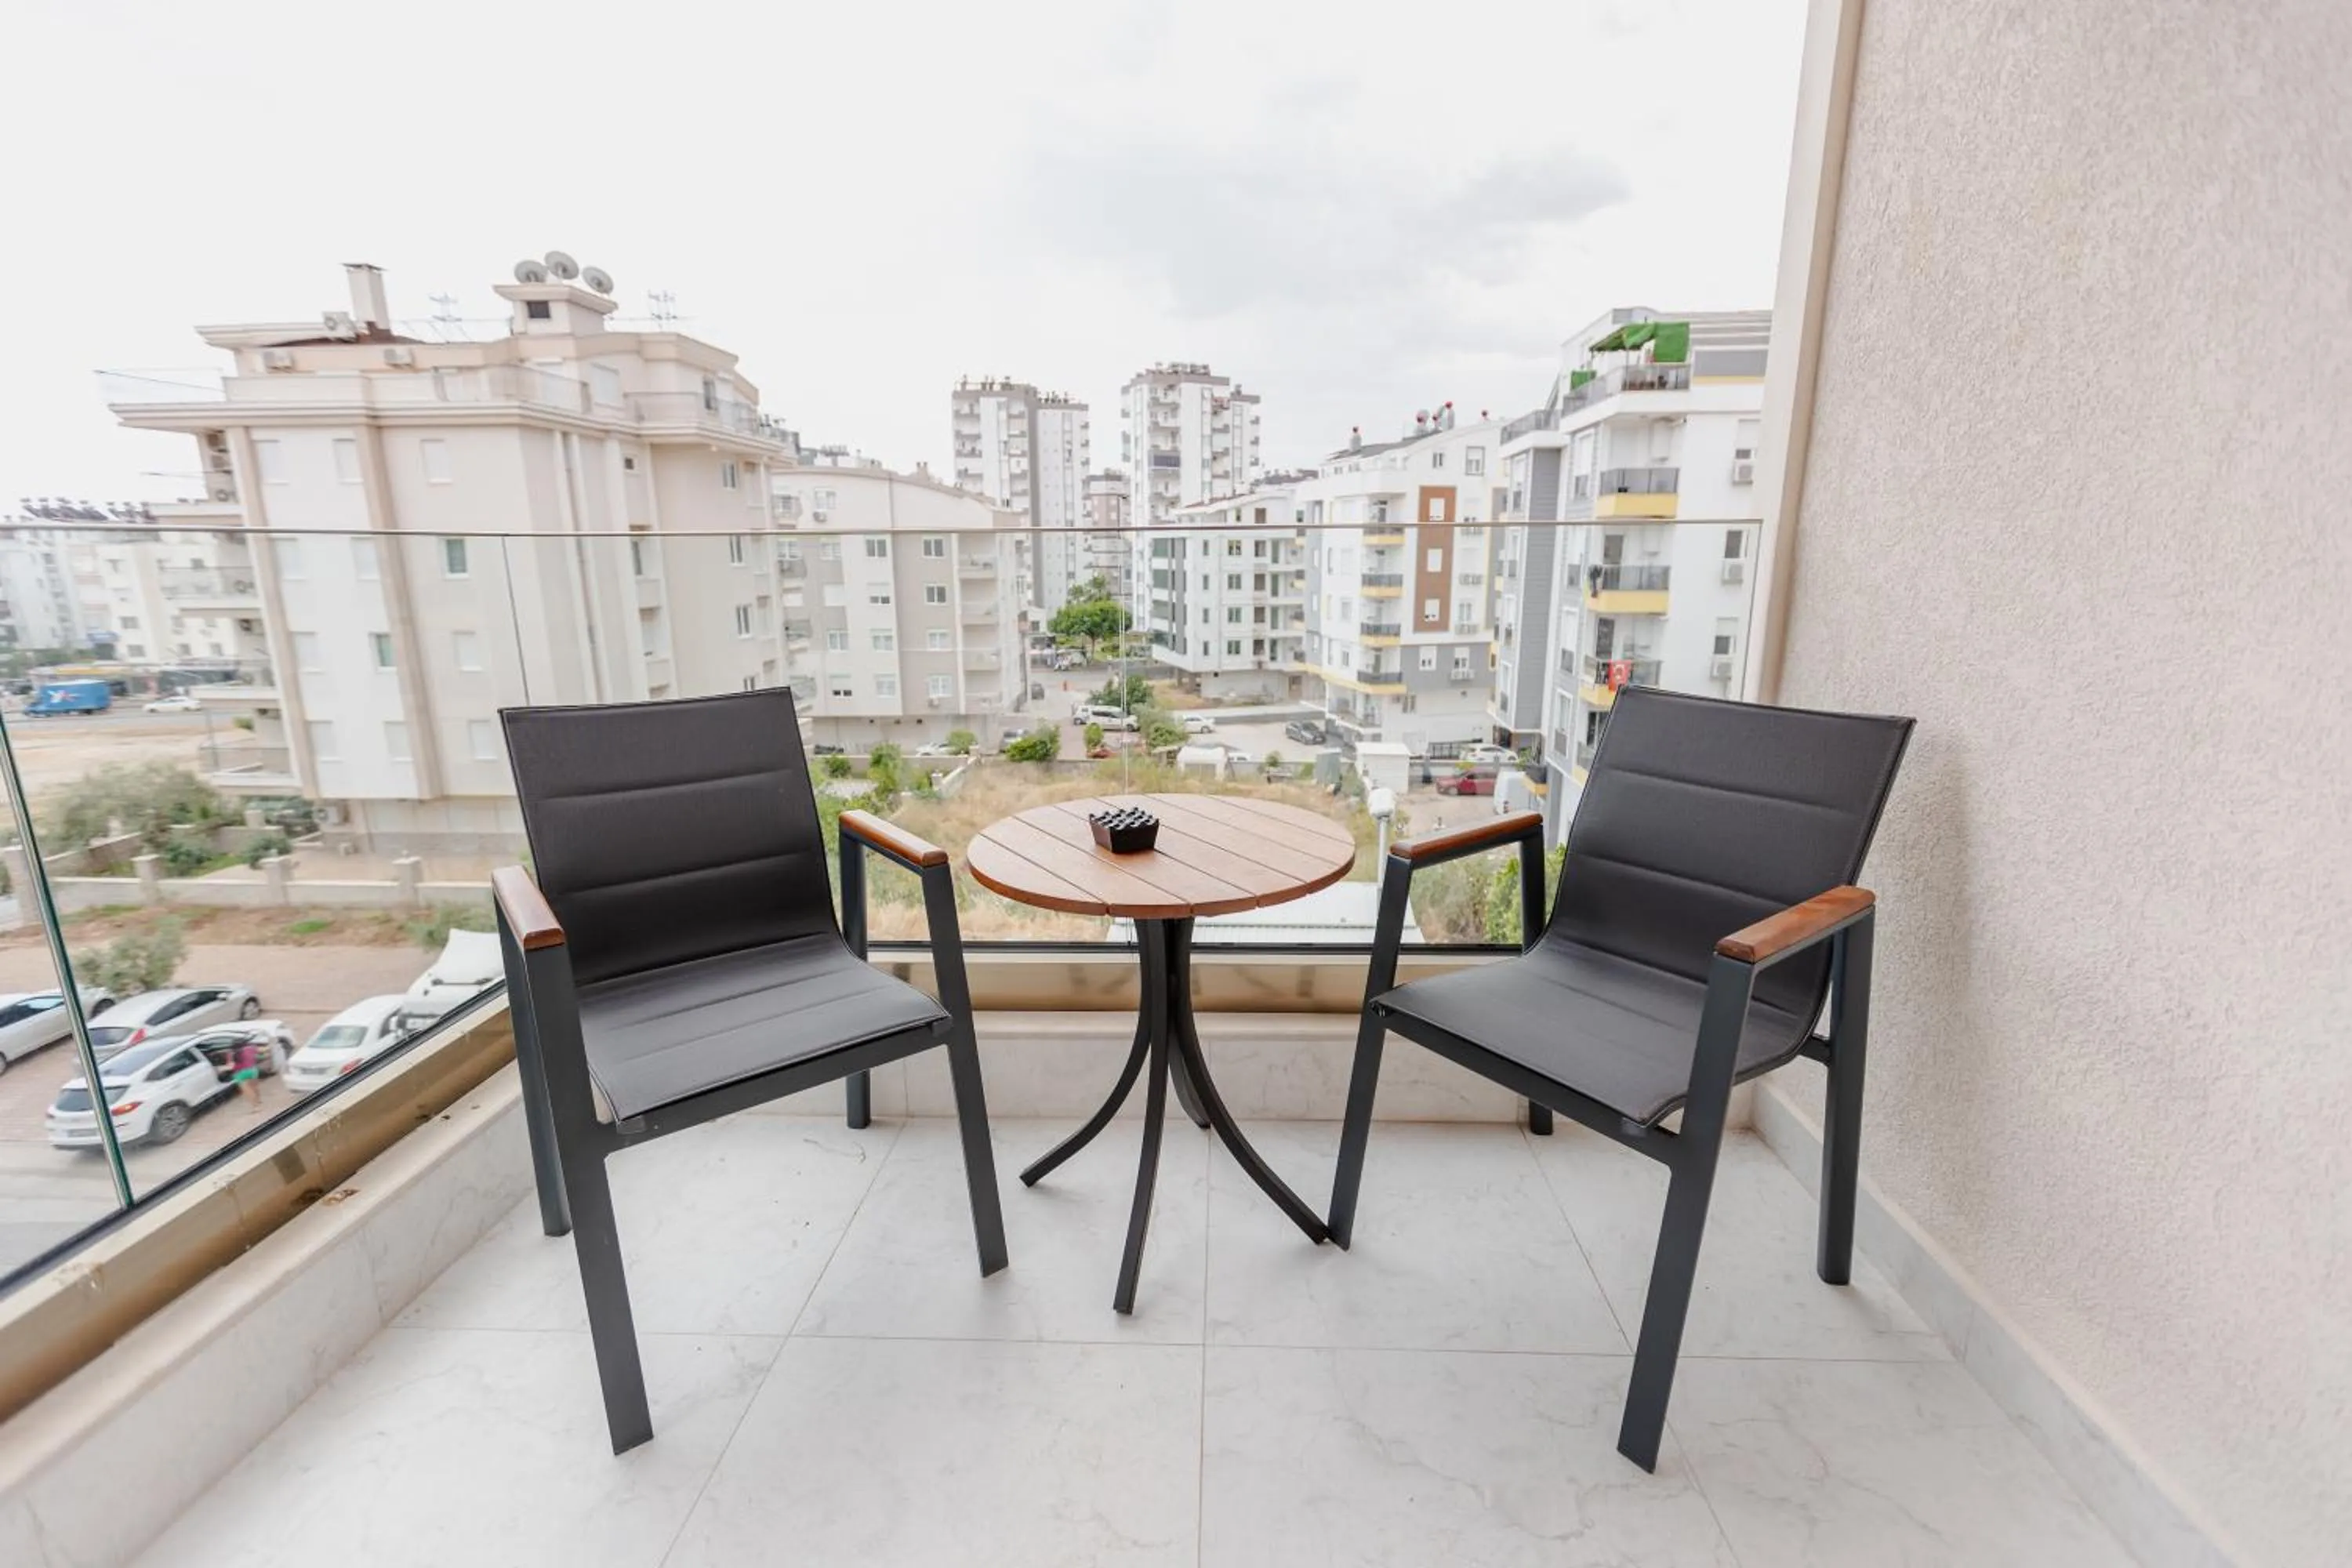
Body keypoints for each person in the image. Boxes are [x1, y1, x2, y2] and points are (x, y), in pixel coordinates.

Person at [231, 1037, 263, 1111]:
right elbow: (262, 1050)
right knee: (255, 1087)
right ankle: (258, 1100)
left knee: (248, 1091)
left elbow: (231, 1065)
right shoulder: (251, 1048)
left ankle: (256, 1107)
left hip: (240, 1074)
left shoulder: (231, 1053)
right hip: (252, 1070)